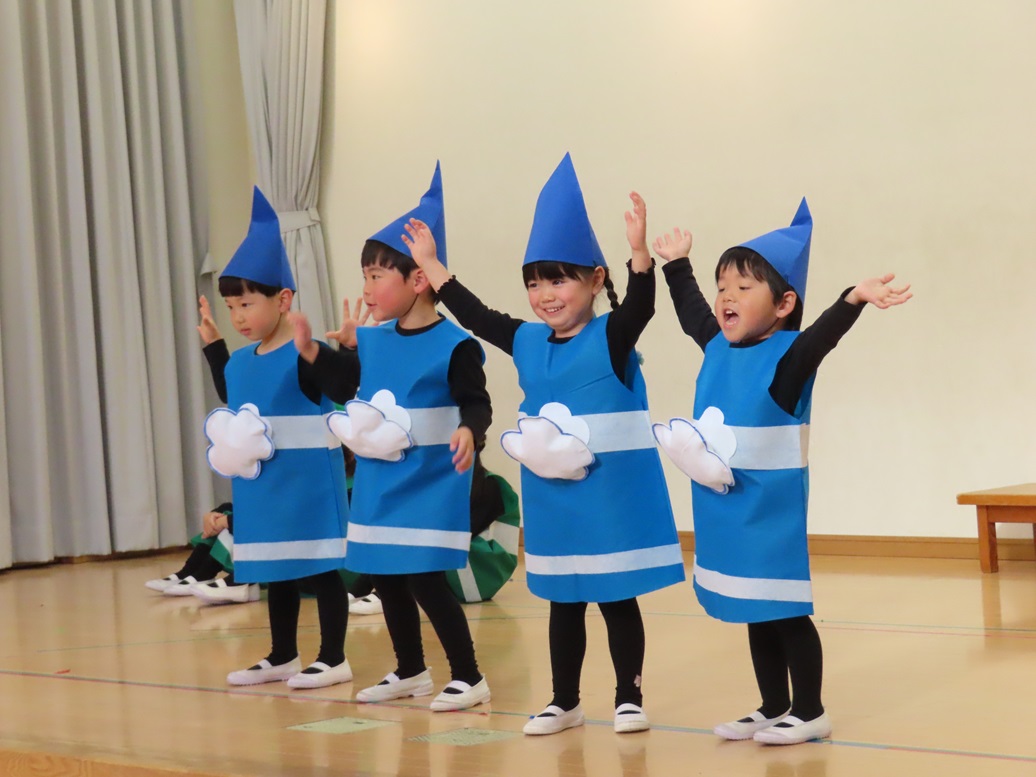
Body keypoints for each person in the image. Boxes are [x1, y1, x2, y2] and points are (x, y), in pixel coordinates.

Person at [403, 153, 685, 736]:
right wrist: (430, 264)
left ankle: (628, 697)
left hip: (608, 499)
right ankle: (564, 701)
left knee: (615, 596)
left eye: (559, 279)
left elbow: (642, 306)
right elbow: (477, 315)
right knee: (563, 598)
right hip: (555, 500)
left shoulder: (611, 335)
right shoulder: (528, 340)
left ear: (595, 280)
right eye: (534, 282)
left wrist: (638, 254)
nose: (545, 295)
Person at [652, 199, 912, 745]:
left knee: (784, 609)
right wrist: (676, 265)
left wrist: (853, 298)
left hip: (768, 511)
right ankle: (773, 705)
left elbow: (820, 338)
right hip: (725, 509)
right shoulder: (717, 346)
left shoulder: (788, 359)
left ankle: (810, 710)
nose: (726, 296)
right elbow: (692, 311)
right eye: (723, 286)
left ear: (783, 304)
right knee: (754, 608)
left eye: (743, 287)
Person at [291, 162, 492, 712]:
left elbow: (477, 401)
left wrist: (470, 430)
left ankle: (469, 675)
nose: (367, 288)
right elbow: (344, 387)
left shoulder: (455, 344)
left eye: (378, 276)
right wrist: (315, 353)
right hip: (381, 480)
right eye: (365, 277)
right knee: (385, 574)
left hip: (430, 479)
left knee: (425, 578)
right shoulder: (373, 340)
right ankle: (410, 669)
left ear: (418, 280)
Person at [198, 187, 352, 690]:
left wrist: (336, 352)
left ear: (283, 300)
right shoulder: (241, 360)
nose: (238, 317)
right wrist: (215, 349)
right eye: (231, 307)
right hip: (263, 484)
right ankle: (282, 653)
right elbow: (238, 396)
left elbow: (340, 388)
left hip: (308, 483)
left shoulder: (306, 352)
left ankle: (333, 657)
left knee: (320, 568)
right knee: (276, 567)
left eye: (246, 304)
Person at [144, 503, 260, 604]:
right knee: (226, 512)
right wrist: (213, 516)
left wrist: (226, 521)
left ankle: (240, 581)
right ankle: (193, 572)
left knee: (233, 522)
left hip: (264, 568)